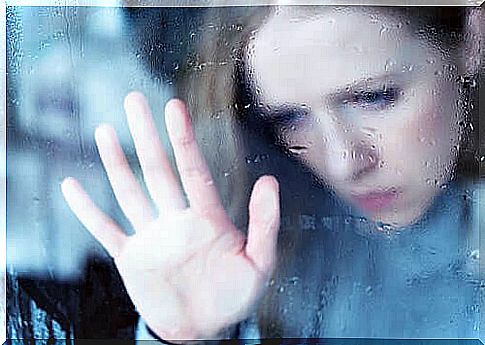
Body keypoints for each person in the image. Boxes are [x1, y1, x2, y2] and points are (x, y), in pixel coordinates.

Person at [60, 5, 482, 343]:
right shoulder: (287, 237)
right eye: (290, 118)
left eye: (375, 97)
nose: (344, 163)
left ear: (471, 34)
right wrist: (187, 338)